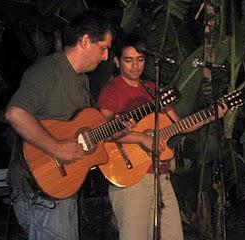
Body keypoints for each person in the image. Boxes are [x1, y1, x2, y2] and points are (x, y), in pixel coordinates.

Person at [4, 11, 130, 240]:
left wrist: (115, 130)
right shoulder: (48, 72)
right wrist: (56, 147)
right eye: (103, 48)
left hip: (63, 188)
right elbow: (15, 113)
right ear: (84, 41)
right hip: (41, 191)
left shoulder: (80, 79)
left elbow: (89, 131)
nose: (105, 57)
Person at [98, 33, 228, 240]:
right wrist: (141, 138)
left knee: (174, 235)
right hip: (130, 177)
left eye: (140, 60)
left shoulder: (153, 90)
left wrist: (211, 115)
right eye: (128, 60)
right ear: (117, 61)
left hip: (161, 176)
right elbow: (102, 131)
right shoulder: (111, 91)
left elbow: (179, 125)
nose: (135, 66)